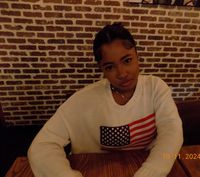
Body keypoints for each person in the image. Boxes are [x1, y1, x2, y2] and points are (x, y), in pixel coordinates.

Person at [28, 23, 183, 177]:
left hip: (144, 165)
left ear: (137, 56)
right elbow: (41, 146)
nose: (122, 73)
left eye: (127, 60)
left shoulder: (156, 87)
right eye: (110, 67)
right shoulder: (82, 100)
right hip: (92, 169)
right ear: (101, 69)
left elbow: (171, 131)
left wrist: (152, 170)